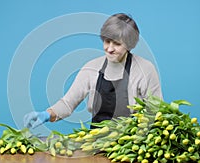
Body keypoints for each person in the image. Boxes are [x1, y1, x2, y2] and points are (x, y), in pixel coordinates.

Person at [24, 13, 163, 129]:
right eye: (107, 41)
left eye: (117, 44)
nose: (109, 48)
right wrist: (47, 114)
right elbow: (68, 103)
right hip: (96, 145)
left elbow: (156, 112)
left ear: (130, 44)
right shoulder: (91, 68)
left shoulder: (145, 69)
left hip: (131, 146)